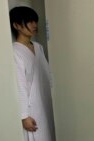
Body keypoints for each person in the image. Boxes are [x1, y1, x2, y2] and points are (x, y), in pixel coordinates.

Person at [9, 6, 55, 141]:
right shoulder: (15, 51)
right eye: (29, 21)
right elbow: (20, 85)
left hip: (46, 100)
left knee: (50, 133)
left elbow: (47, 75)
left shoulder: (38, 47)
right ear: (16, 25)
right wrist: (24, 116)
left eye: (35, 21)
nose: (35, 25)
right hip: (32, 107)